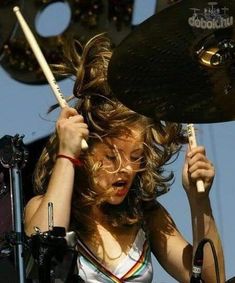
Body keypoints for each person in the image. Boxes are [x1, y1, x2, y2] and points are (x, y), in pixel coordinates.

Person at [24, 34, 225, 282]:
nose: (127, 169)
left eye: (136, 156)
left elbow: (212, 279)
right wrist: (66, 155)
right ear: (84, 152)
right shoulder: (41, 206)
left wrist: (199, 200)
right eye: (112, 157)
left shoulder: (146, 215)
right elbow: (42, 256)